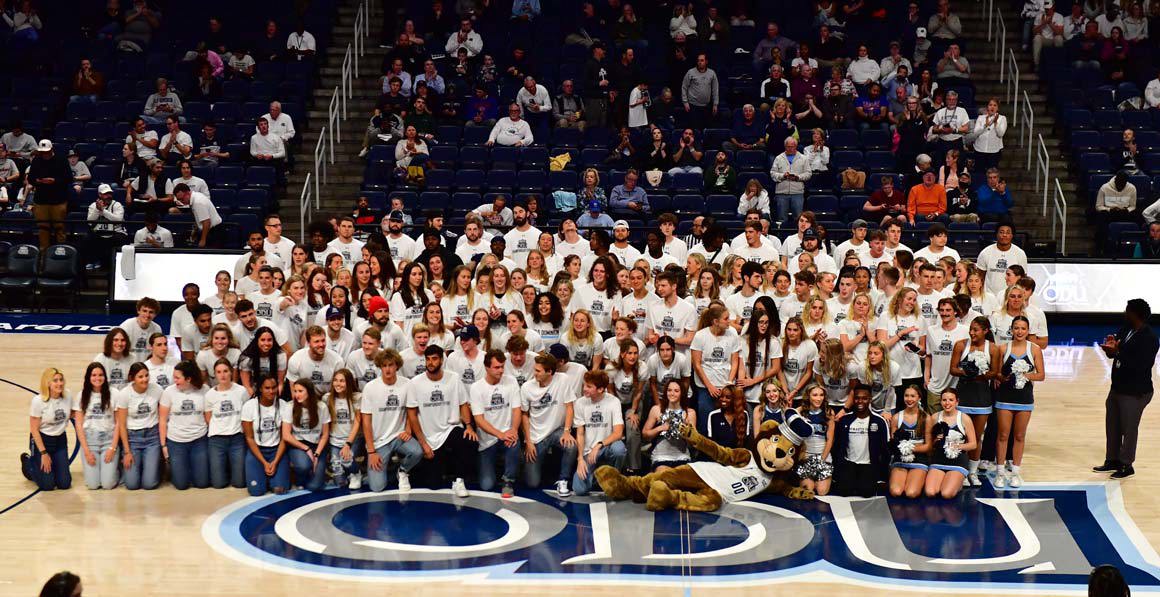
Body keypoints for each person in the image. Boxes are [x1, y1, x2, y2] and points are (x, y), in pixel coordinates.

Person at [1096, 299, 1158, 480]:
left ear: (1135, 314)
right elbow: (1115, 352)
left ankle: (1127, 464)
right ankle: (1112, 460)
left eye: (1127, 311)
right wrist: (1110, 348)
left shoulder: (1150, 338)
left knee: (1129, 429)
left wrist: (1117, 352)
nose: (1125, 313)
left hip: (1136, 391)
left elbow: (1141, 365)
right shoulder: (1126, 329)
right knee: (1113, 426)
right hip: (1117, 388)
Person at [405, 345, 477, 496]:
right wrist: (423, 443)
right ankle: (443, 465)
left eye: (434, 359)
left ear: (442, 360)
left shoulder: (454, 378)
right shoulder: (415, 383)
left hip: (450, 429)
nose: (430, 362)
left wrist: (469, 426)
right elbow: (411, 415)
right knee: (433, 484)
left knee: (469, 439)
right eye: (428, 359)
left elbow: (463, 404)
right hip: (429, 435)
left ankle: (459, 480)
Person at [990, 316, 1045, 488]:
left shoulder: (1034, 349)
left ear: (1028, 331)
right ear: (1011, 330)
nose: (1019, 331)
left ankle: (1015, 472)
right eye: (1016, 328)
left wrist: (1024, 375)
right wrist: (1004, 377)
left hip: (1024, 399)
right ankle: (1000, 472)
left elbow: (1041, 375)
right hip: (1005, 398)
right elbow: (997, 373)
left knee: (1019, 436)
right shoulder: (1003, 348)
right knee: (1003, 435)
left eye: (1023, 328)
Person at [571, 370, 627, 495]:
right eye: (584, 385)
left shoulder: (613, 401)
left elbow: (618, 432)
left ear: (601, 389)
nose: (584, 388)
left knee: (619, 449)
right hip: (589, 452)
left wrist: (599, 444)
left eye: (589, 387)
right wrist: (580, 459)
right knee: (579, 490)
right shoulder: (580, 403)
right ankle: (598, 477)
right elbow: (580, 433)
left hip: (607, 446)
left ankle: (614, 478)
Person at [830, 386, 890, 497]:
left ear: (870, 399)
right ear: (853, 400)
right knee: (843, 491)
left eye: (864, 398)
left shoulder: (879, 421)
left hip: (868, 465)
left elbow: (885, 450)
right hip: (849, 464)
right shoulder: (844, 420)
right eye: (857, 398)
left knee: (867, 492)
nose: (860, 401)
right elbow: (837, 446)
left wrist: (882, 475)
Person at [21, 368, 73, 491]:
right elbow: (34, 429)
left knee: (64, 484)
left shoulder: (68, 395)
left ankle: (53, 465)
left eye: (61, 380)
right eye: (55, 380)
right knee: (48, 485)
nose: (59, 383)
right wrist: (44, 453)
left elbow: (73, 413)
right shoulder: (38, 401)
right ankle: (28, 463)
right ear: (47, 383)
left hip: (60, 440)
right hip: (42, 440)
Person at [690, 305, 741, 428]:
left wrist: (729, 383)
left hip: (726, 386)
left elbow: (734, 362)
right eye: (726, 318)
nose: (729, 321)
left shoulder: (732, 334)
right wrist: (709, 386)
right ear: (716, 322)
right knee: (705, 422)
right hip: (705, 388)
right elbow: (697, 364)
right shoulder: (700, 336)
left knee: (725, 423)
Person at [115, 363, 164, 490]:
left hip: (152, 437)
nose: (145, 379)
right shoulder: (124, 394)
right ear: (133, 378)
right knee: (132, 485)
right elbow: (121, 425)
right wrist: (127, 452)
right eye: (140, 377)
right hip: (133, 439)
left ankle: (155, 467)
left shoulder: (157, 390)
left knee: (149, 484)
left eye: (147, 375)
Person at [925, 388, 978, 498]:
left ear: (957, 401)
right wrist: (936, 440)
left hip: (957, 460)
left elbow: (973, 444)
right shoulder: (934, 417)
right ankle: (949, 481)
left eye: (951, 400)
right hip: (938, 459)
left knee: (946, 494)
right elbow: (928, 444)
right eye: (944, 400)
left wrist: (957, 446)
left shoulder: (964, 418)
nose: (947, 403)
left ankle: (958, 482)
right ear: (940, 401)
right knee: (930, 492)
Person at [27, 139, 71, 249]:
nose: (44, 154)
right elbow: (31, 178)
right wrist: (37, 181)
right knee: (42, 228)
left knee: (60, 228)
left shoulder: (61, 160)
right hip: (41, 200)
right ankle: (43, 254)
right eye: (42, 152)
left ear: (51, 149)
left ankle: (61, 251)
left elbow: (69, 178)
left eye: (46, 151)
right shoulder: (37, 160)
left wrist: (55, 181)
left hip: (58, 200)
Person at [888, 385, 930, 498]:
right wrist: (901, 448)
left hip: (919, 459)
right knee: (896, 492)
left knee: (911, 493)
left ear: (919, 398)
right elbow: (893, 444)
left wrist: (909, 448)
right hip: (900, 459)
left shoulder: (926, 417)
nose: (909, 399)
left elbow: (928, 446)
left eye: (913, 396)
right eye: (906, 395)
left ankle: (920, 479)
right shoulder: (897, 417)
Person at [770, 137, 812, 225]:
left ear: (796, 146)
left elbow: (808, 173)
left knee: (798, 218)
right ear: (785, 146)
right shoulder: (778, 158)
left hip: (797, 192)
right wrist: (782, 176)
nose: (790, 148)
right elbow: (773, 173)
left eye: (792, 146)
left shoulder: (803, 158)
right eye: (788, 146)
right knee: (781, 219)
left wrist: (798, 177)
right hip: (781, 193)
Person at [681, 53, 719, 129]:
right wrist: (685, 102)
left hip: (706, 106)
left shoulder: (712, 73)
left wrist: (715, 104)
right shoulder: (690, 72)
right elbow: (684, 87)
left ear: (706, 62)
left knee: (705, 128)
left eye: (702, 60)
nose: (700, 62)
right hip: (693, 106)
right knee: (694, 128)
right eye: (698, 60)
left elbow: (715, 89)